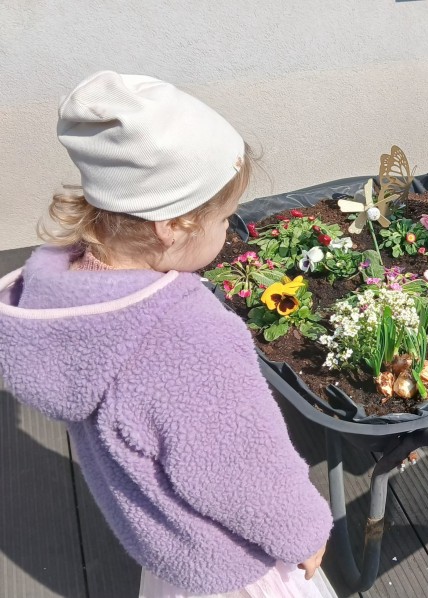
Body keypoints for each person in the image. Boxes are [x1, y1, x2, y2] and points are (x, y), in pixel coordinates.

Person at [0, 71, 336, 598]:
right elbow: (241, 467)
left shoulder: (62, 298)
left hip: (169, 551)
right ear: (173, 224)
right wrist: (304, 530)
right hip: (238, 564)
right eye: (224, 218)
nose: (230, 229)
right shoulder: (184, 335)